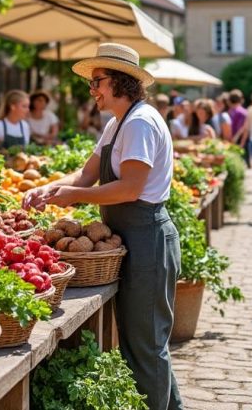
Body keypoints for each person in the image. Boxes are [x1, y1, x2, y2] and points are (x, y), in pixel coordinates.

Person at [23, 43, 181, 410]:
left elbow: (130, 187)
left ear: (120, 82)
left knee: (146, 347)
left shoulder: (140, 122)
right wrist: (50, 187)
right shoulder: (117, 123)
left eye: (97, 81)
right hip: (129, 238)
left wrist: (75, 197)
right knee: (142, 344)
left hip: (148, 238)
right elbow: (87, 174)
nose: (91, 90)